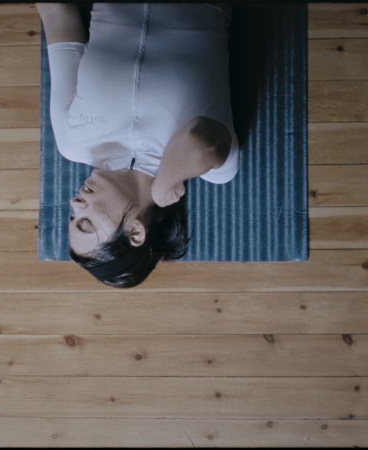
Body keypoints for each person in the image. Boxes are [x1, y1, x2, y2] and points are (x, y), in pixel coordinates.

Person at [37, 3, 240, 288]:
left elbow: (58, 14)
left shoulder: (72, 143)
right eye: (86, 222)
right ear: (135, 231)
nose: (74, 203)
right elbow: (201, 136)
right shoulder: (212, 168)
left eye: (72, 216)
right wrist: (164, 185)